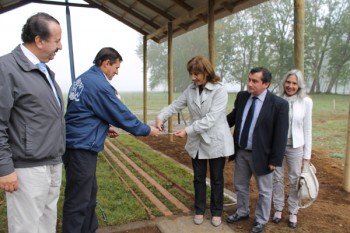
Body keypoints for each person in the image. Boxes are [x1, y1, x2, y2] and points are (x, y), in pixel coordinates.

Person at [62, 47, 160, 233]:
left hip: (79, 144)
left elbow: (84, 113)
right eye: (116, 67)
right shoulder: (99, 85)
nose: (117, 72)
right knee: (78, 200)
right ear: (106, 63)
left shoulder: (84, 79)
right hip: (80, 148)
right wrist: (147, 130)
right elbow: (120, 113)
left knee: (89, 195)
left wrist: (104, 128)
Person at [0, 12, 64, 233]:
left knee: (47, 224)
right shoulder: (6, 68)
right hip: (27, 168)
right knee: (26, 228)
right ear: (39, 40)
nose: (61, 46)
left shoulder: (44, 70)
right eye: (56, 41)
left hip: (52, 163)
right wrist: (4, 168)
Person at [155, 55, 234, 227]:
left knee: (216, 178)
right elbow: (176, 105)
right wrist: (161, 117)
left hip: (215, 139)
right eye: (191, 73)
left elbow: (211, 119)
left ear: (206, 72)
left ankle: (216, 212)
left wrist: (187, 130)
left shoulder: (220, 90)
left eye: (196, 74)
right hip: (197, 140)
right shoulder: (190, 89)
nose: (193, 77)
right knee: (198, 177)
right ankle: (199, 209)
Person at [226, 67, 289, 233]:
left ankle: (261, 220)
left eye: (255, 81)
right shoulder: (242, 97)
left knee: (265, 191)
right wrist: (215, 126)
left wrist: (275, 160)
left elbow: (281, 135)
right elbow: (232, 118)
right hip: (241, 152)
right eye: (249, 79)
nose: (249, 84)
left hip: (263, 156)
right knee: (240, 185)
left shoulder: (279, 104)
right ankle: (242, 211)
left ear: (266, 84)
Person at [272, 69, 313, 228]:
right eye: (288, 82)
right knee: (277, 177)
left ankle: (293, 211)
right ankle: (278, 208)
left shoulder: (306, 102)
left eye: (294, 83)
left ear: (299, 85)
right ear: (284, 83)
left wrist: (307, 155)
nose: (290, 86)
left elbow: (307, 129)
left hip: (296, 146)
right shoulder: (277, 99)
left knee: (295, 179)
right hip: (277, 145)